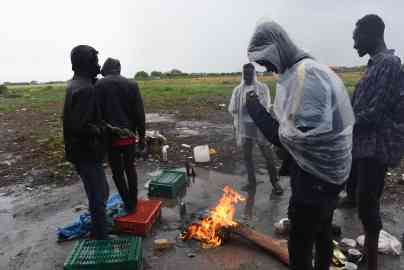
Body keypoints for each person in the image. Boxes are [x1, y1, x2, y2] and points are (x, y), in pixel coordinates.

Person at [246, 20, 354, 270]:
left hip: (315, 178)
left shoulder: (307, 75)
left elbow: (295, 138)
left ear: (276, 48)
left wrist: (256, 110)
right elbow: (296, 130)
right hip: (327, 174)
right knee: (323, 231)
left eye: (265, 61)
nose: (266, 68)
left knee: (301, 242)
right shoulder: (304, 71)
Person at [350, 14, 403, 270]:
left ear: (372, 34)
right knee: (363, 202)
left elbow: (376, 111)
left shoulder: (389, 63)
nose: (354, 44)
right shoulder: (374, 64)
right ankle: (369, 256)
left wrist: (345, 122)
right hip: (364, 147)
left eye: (357, 37)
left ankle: (372, 264)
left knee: (368, 205)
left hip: (376, 148)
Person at [63, 45, 110, 240]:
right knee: (99, 197)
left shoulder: (74, 84)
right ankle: (100, 236)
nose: (99, 66)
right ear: (88, 64)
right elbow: (80, 127)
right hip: (87, 153)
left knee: (99, 192)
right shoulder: (86, 90)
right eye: (96, 62)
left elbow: (78, 121)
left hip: (78, 152)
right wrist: (103, 130)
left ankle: (98, 229)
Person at [96, 58, 146, 213]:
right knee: (130, 168)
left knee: (117, 172)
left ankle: (127, 203)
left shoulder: (98, 85)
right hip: (129, 136)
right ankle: (134, 200)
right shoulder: (132, 84)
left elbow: (96, 115)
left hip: (110, 138)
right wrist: (142, 137)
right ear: (119, 69)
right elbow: (139, 114)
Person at [228, 63, 283, 195]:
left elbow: (266, 107)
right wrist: (245, 104)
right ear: (243, 74)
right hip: (245, 128)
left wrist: (254, 102)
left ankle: (275, 183)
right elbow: (233, 109)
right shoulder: (238, 90)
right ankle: (251, 182)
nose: (247, 76)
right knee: (247, 157)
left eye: (250, 73)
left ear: (254, 74)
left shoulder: (262, 88)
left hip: (260, 127)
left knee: (268, 156)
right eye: (245, 73)